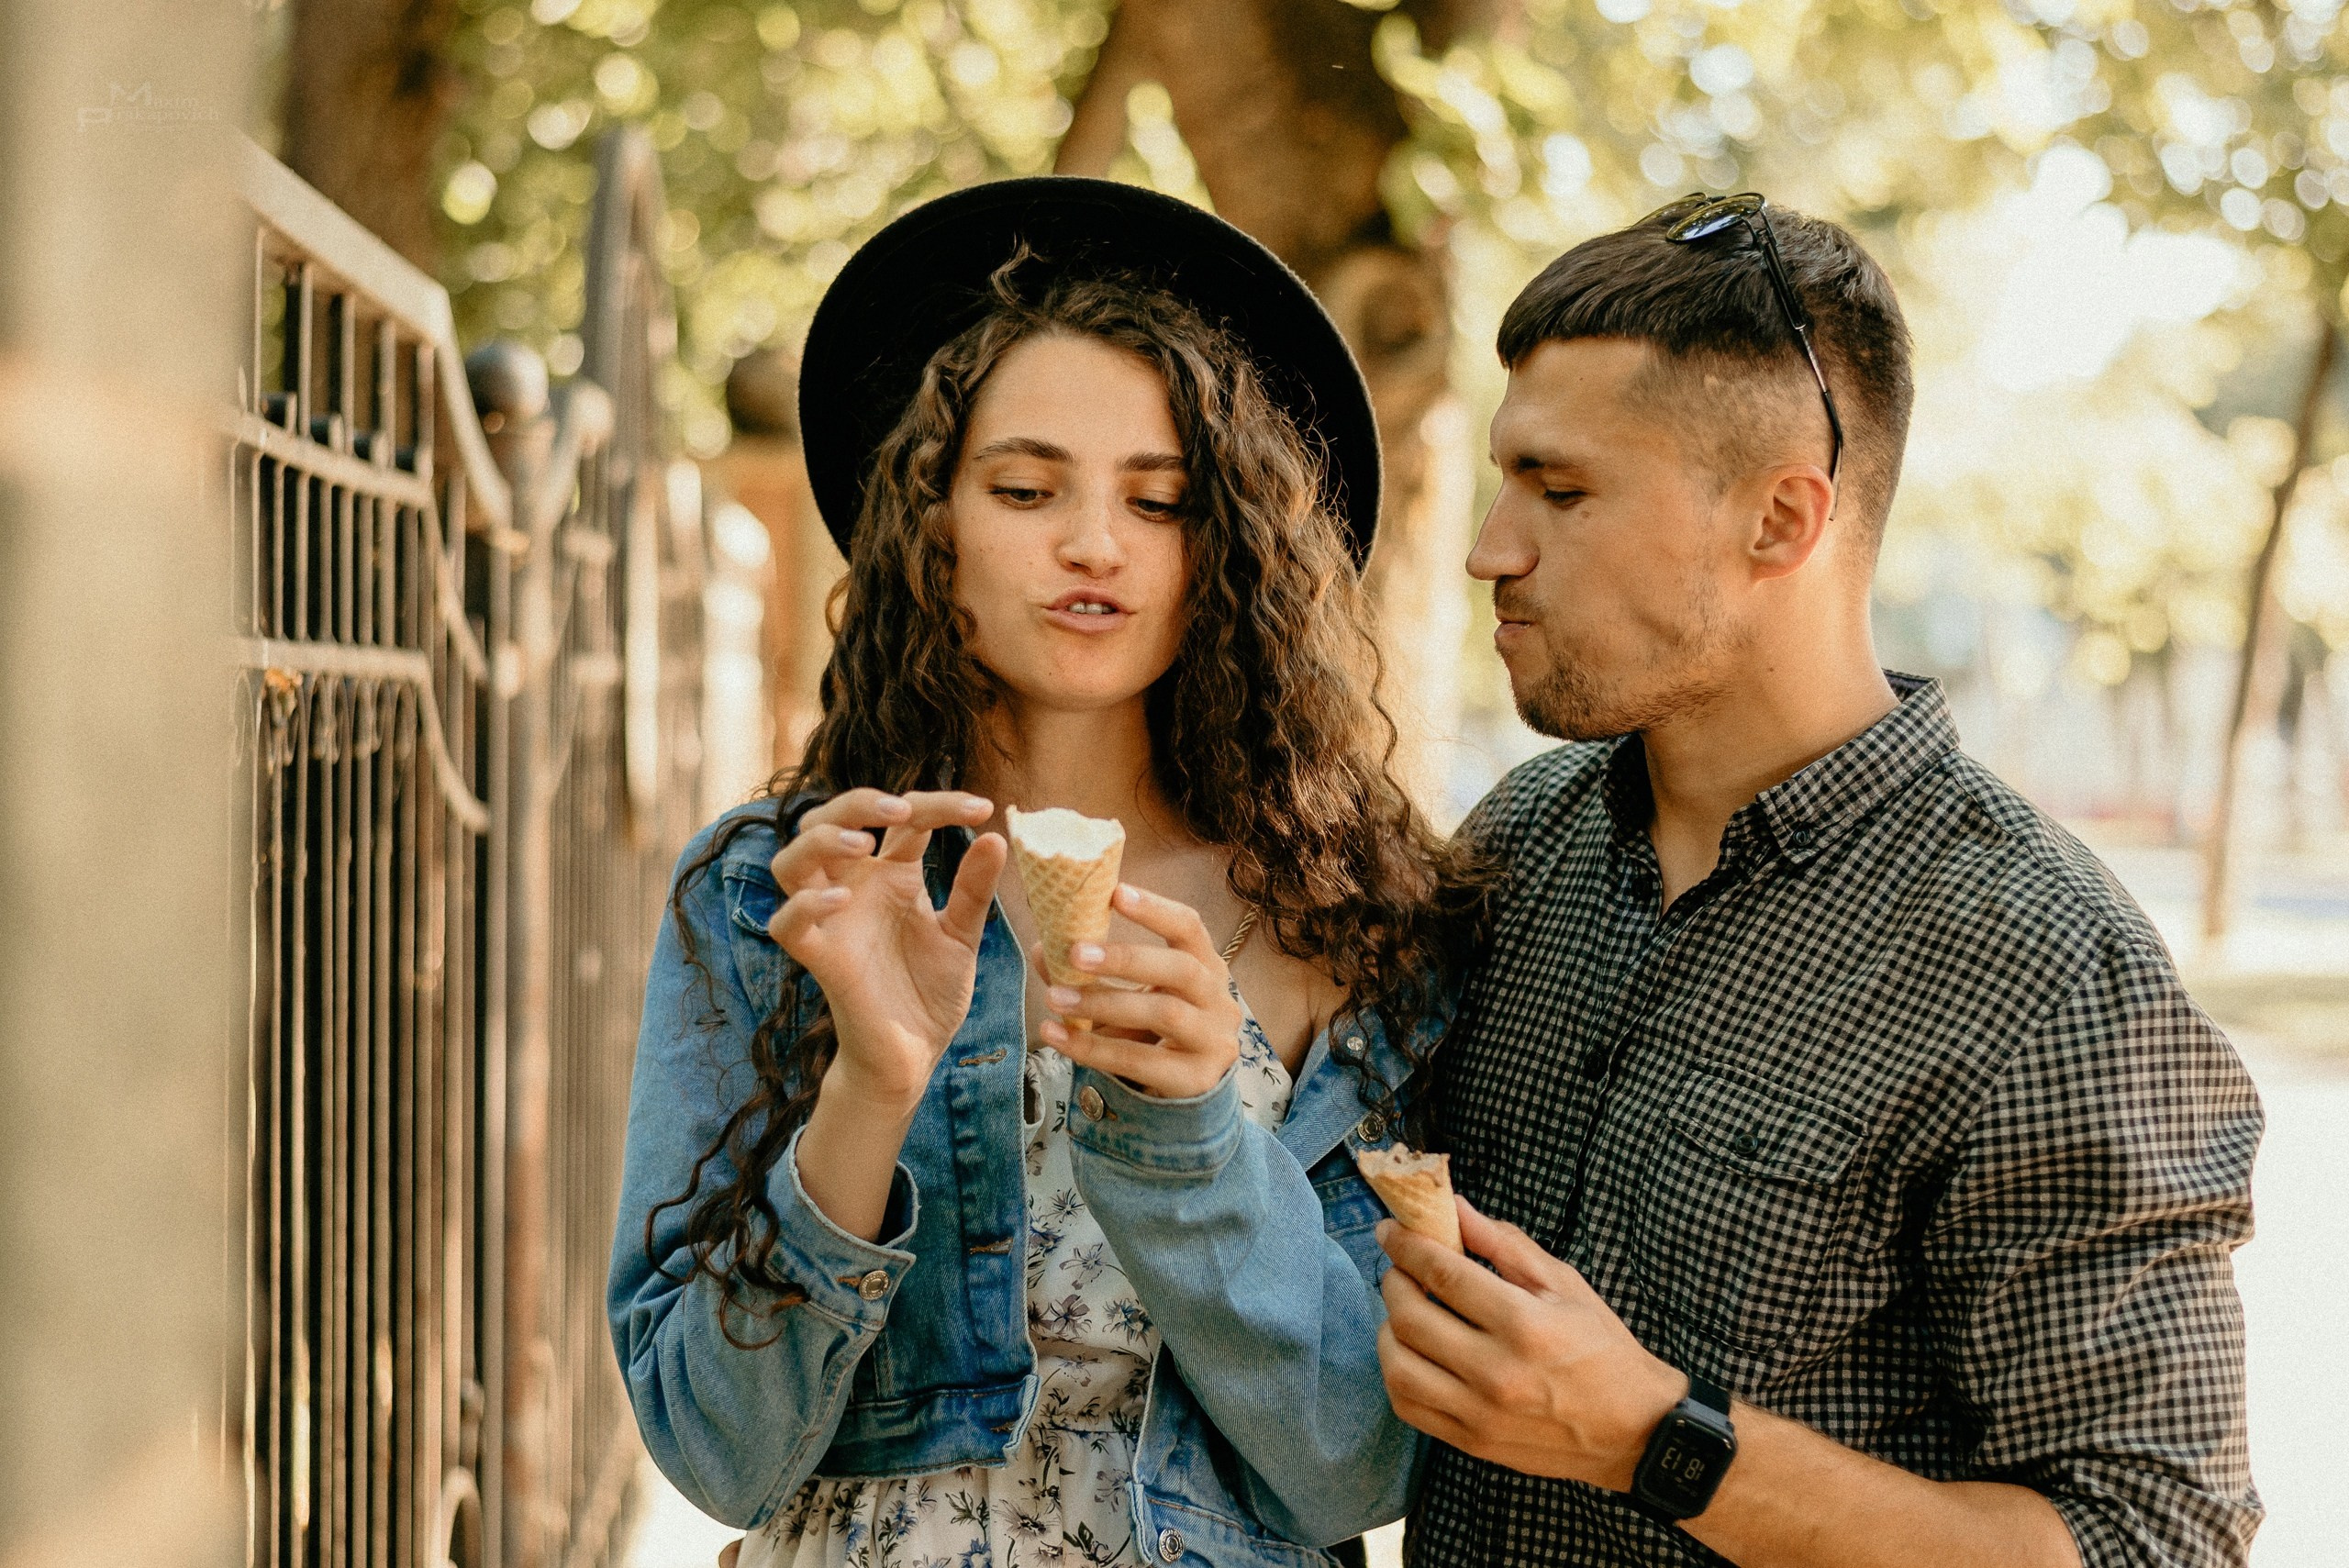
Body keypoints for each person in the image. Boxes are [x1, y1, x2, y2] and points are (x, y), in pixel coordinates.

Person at [608, 178, 1486, 1568]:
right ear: (932, 522)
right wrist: (869, 1087)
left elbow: (1358, 1470)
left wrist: (1194, 1138)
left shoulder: (1349, 919)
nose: (1094, 542)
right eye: (1026, 489)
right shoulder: (779, 891)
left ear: (1229, 544)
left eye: (1161, 500)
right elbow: (716, 1454)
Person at [1375, 194, 2263, 1568]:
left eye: (1561, 491)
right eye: (1506, 482)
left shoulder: (2048, 972)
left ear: (1782, 519)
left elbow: (2155, 1540)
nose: (1492, 547)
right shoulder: (1522, 842)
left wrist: (1657, 1438)